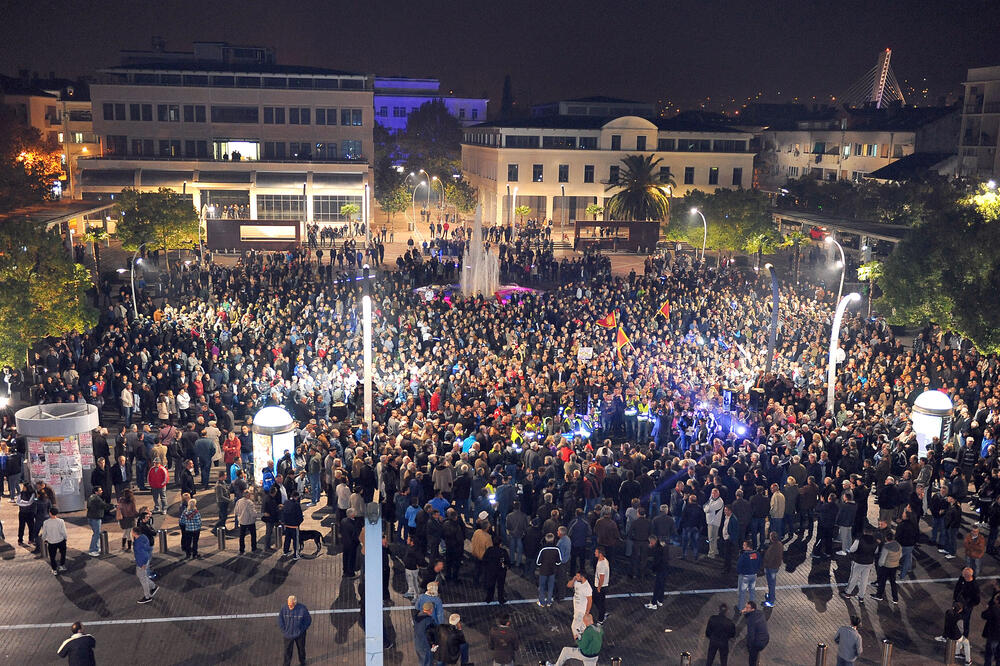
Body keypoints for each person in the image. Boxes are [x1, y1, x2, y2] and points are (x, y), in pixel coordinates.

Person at [840, 528, 877, 604]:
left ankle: (848, 593)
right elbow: (876, 551)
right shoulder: (875, 541)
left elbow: (852, 549)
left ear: (864, 532)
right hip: (869, 562)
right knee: (864, 580)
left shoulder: (859, 540)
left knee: (853, 577)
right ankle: (861, 597)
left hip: (858, 561)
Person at [278, 595, 311, 666]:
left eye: (291, 605)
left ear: (295, 604)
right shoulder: (284, 608)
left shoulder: (302, 609)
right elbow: (280, 619)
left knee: (301, 649)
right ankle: (286, 664)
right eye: (288, 604)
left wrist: (301, 630)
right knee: (287, 652)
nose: (289, 607)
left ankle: (302, 662)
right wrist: (284, 629)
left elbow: (308, 620)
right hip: (288, 635)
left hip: (300, 635)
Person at [937, 601, 972, 666]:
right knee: (966, 642)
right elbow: (961, 629)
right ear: (960, 609)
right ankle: (968, 661)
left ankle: (957, 653)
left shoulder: (948, 612)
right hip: (955, 635)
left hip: (948, 633)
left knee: (959, 640)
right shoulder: (959, 617)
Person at [871, 533, 901, 604]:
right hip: (894, 566)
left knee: (882, 581)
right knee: (893, 582)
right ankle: (895, 598)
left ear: (886, 539)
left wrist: (880, 565)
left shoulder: (886, 547)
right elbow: (901, 555)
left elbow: (882, 559)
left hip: (886, 566)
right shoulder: (898, 545)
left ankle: (879, 595)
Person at [131, 526, 158, 603]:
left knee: (143, 578)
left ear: (134, 533)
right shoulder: (143, 537)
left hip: (141, 562)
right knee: (141, 575)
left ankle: (147, 596)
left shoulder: (138, 543)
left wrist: (142, 564)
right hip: (145, 560)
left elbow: (142, 554)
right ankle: (153, 586)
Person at [482, 535, 510, 605]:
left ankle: (489, 598)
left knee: (491, 585)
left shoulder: (489, 550)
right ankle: (501, 599)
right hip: (500, 571)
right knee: (500, 585)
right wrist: (505, 567)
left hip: (491, 571)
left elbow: (484, 560)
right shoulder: (503, 552)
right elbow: (505, 562)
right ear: (500, 544)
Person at [40, 507, 68, 574]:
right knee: (63, 553)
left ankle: (54, 569)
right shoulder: (61, 521)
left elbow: (44, 533)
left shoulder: (46, 522)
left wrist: (44, 539)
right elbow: (63, 531)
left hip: (51, 542)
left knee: (52, 556)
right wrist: (65, 538)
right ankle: (62, 565)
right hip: (61, 540)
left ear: (50, 513)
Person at [536, 533, 561, 608]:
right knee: (551, 586)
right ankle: (549, 602)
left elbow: (538, 562)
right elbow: (559, 561)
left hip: (543, 571)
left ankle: (542, 602)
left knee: (542, 586)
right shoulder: (557, 549)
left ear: (546, 539)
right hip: (552, 571)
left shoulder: (543, 549)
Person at [85, 486, 110, 557]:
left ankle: (96, 547)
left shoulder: (91, 497)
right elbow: (104, 506)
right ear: (96, 492)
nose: (101, 491)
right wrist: (113, 506)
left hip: (91, 518)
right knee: (96, 534)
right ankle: (93, 550)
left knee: (96, 533)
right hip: (96, 518)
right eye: (100, 490)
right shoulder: (97, 499)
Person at [568, 571, 593, 640]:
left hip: (581, 611)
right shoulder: (577, 581)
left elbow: (590, 601)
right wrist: (573, 580)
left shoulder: (587, 587)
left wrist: (587, 613)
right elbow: (569, 585)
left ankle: (579, 642)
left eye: (578, 576)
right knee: (582, 627)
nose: (576, 577)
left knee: (574, 627)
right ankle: (585, 640)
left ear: (582, 577)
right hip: (576, 609)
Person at [743, 601, 769, 666]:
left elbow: (751, 635)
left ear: (752, 609)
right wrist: (746, 613)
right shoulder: (760, 613)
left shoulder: (751, 620)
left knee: (752, 658)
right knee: (756, 652)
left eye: (747, 608)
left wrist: (749, 646)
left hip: (758, 642)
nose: (745, 609)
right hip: (765, 638)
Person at [736, 540, 760, 610]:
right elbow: (759, 564)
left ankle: (740, 607)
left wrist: (740, 572)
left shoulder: (744, 555)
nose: (743, 546)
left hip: (745, 576)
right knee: (752, 592)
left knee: (742, 593)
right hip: (754, 575)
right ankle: (752, 608)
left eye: (744, 545)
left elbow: (739, 565)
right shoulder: (756, 554)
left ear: (747, 547)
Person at [761, 531, 782, 608]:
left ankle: (771, 601)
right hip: (775, 567)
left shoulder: (773, 548)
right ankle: (770, 595)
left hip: (771, 568)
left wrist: (765, 565)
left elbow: (770, 559)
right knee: (771, 583)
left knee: (771, 584)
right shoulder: (779, 545)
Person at [281, 491, 305, 560]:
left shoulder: (286, 502)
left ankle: (285, 551)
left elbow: (283, 513)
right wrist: (298, 523)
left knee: (287, 539)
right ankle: (295, 555)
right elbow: (300, 516)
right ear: (296, 497)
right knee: (295, 541)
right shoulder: (296, 505)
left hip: (287, 525)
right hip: (294, 526)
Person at [414, 601, 438, 666]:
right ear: (430, 610)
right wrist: (433, 643)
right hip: (425, 645)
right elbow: (430, 633)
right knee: (427, 662)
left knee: (422, 661)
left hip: (417, 643)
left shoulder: (417, 616)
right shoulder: (428, 620)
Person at [235, 489, 258, 554]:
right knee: (253, 535)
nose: (250, 495)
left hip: (242, 521)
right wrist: (256, 515)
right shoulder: (249, 502)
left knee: (242, 536)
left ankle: (241, 549)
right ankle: (254, 548)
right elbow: (253, 513)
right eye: (250, 494)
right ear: (247, 495)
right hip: (250, 521)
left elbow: (236, 511)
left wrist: (239, 517)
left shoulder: (239, 501)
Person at [116, 486, 138, 552]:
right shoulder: (131, 501)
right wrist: (138, 514)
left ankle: (123, 546)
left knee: (125, 532)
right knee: (128, 533)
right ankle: (129, 548)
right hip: (130, 519)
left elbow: (118, 508)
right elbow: (134, 511)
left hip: (123, 519)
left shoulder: (120, 500)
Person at [593, 546, 610, 623]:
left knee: (599, 602)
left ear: (600, 554)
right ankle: (603, 614)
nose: (595, 553)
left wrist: (599, 588)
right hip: (603, 585)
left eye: (596, 552)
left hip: (600, 586)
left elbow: (602, 577)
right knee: (601, 601)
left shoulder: (601, 565)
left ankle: (601, 619)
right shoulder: (604, 560)